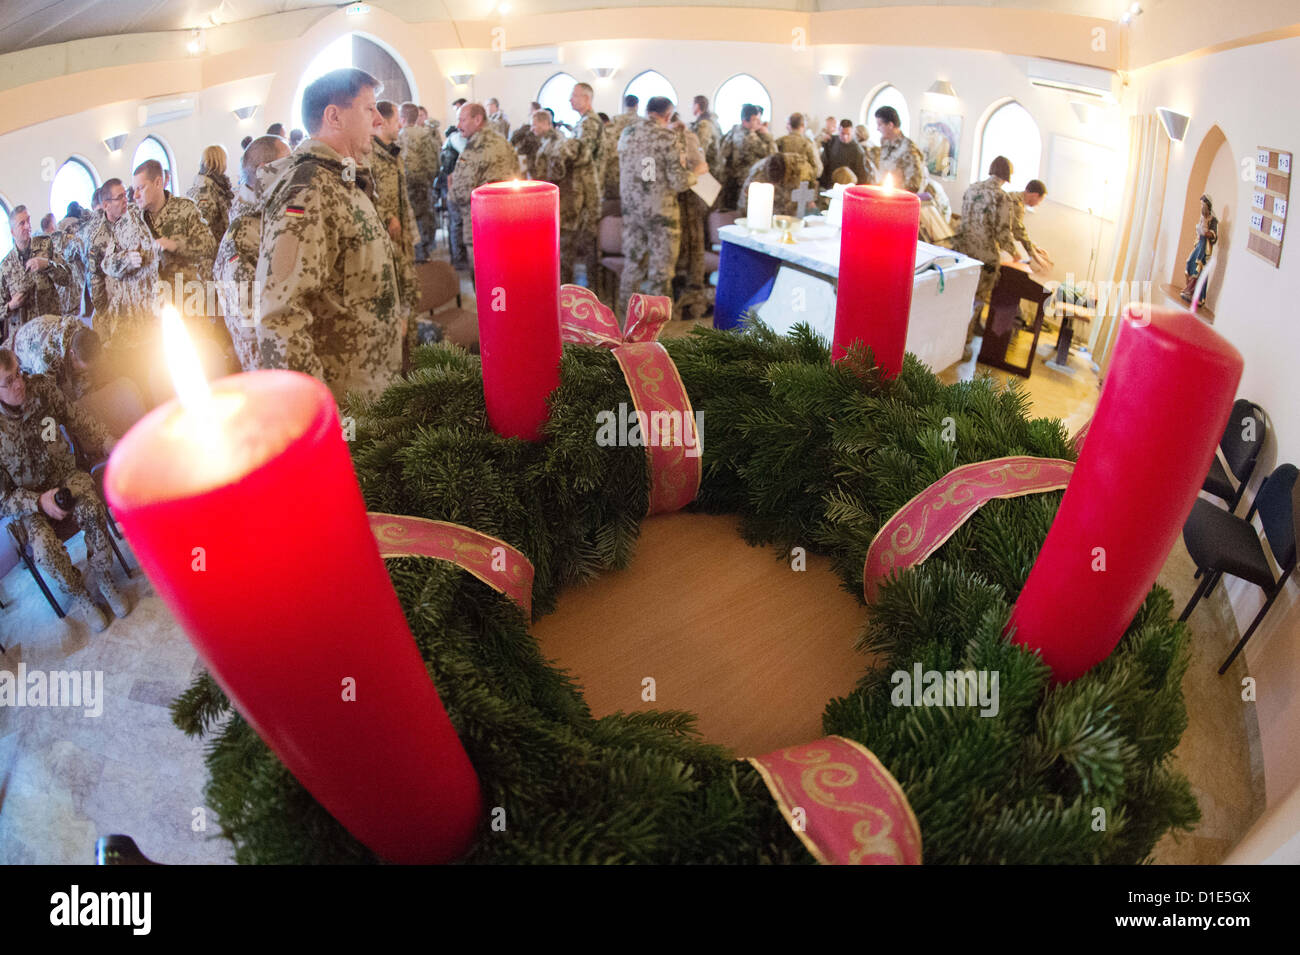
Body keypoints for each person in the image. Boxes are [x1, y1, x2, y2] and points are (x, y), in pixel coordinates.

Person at [256, 68, 403, 403]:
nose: (378, 120)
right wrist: (317, 417)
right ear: (334, 116)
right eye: (369, 109)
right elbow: (281, 317)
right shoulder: (308, 190)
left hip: (372, 389)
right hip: (345, 406)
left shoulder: (340, 180)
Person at [0, 348, 127, 631]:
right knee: (44, 549)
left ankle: (103, 577)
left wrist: (107, 441)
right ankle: (82, 596)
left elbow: (76, 417)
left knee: (93, 508)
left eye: (18, 373)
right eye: (8, 381)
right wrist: (38, 502)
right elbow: (2, 500)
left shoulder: (41, 389)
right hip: (31, 505)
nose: (19, 383)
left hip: (64, 478)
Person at [617, 95, 705, 316]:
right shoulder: (667, 137)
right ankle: (653, 327)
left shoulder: (627, 133)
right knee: (661, 272)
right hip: (661, 213)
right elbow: (678, 181)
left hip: (632, 210)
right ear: (668, 114)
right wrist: (697, 172)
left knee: (633, 265)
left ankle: (622, 321)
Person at [216, 135, 291, 372]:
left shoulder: (270, 215)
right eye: (288, 164)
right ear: (264, 171)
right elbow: (249, 321)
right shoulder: (240, 237)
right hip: (272, 369)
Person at [953, 155, 1016, 361]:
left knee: (959, 299)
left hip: (961, 252)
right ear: (1006, 176)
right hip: (984, 258)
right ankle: (962, 346)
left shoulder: (972, 188)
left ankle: (948, 340)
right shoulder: (1002, 197)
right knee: (977, 302)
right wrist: (1016, 253)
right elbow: (1003, 232)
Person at [370, 100, 421, 357]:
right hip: (386, 246)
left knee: (410, 298)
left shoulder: (393, 152)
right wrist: (387, 217)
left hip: (403, 240)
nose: (400, 124)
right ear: (383, 122)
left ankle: (412, 359)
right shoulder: (369, 157)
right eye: (396, 120)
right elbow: (366, 200)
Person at [84, 179, 156, 350]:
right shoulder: (98, 239)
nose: (126, 200)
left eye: (125, 195)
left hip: (145, 300)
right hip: (121, 309)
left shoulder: (136, 217)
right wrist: (106, 316)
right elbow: (96, 283)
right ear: (106, 205)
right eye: (120, 197)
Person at [448, 103, 519, 263]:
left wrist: (451, 194)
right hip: (506, 222)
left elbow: (461, 191)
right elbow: (516, 175)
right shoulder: (503, 142)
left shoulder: (475, 147)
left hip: (481, 226)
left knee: (484, 279)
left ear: (478, 119)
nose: (458, 126)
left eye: (462, 120)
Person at [1, 205, 72, 337]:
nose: (28, 226)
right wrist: (11, 305)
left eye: (28, 220)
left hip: (50, 330)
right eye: (22, 223)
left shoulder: (45, 246)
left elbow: (67, 278)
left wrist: (47, 265)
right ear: (12, 232)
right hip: (24, 338)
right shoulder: (5, 266)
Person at [11, 314, 103, 402]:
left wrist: (88, 397)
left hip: (43, 330)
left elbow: (83, 382)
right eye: (82, 368)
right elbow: (50, 397)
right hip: (21, 351)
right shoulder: (46, 362)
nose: (84, 371)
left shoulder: (82, 331)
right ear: (72, 354)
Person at [565, 82, 604, 286]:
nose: (570, 99)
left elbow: (581, 154)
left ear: (586, 99)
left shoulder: (589, 123)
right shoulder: (583, 122)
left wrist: (561, 146)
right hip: (582, 192)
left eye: (574, 95)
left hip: (587, 194)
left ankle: (592, 292)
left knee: (589, 243)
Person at [397, 101, 441, 262]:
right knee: (425, 218)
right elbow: (434, 161)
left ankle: (414, 254)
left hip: (405, 185)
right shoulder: (425, 135)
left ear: (402, 118)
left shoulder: (397, 138)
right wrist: (429, 179)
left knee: (410, 219)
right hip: (423, 184)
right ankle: (425, 253)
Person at [719, 104, 776, 210]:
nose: (759, 122)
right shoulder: (750, 137)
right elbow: (772, 154)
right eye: (755, 119)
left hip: (734, 180)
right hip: (748, 181)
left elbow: (724, 152)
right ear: (745, 122)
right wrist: (767, 135)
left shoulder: (734, 130)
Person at [738, 152, 817, 217]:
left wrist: (811, 200)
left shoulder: (801, 167)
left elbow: (812, 183)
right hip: (769, 209)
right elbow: (745, 199)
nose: (776, 184)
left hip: (792, 204)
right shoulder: (757, 173)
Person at [187, 144, 235, 245]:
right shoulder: (204, 189)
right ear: (219, 162)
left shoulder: (217, 185)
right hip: (213, 249)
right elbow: (203, 227)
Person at [874, 105, 925, 193]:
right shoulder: (885, 143)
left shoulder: (908, 148)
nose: (877, 129)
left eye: (880, 125)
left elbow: (914, 185)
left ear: (890, 125)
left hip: (898, 198)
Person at [1181, 193, 1218, 305]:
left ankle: (1194, 294)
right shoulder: (1202, 217)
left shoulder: (1213, 220)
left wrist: (1207, 233)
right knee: (1190, 263)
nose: (1202, 207)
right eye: (1201, 205)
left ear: (1207, 205)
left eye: (1203, 205)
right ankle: (1188, 289)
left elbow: (1213, 235)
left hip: (1204, 247)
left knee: (1199, 268)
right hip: (1199, 244)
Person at [602, 94, 640, 200]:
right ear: (637, 105)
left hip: (615, 165)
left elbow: (606, 142)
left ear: (624, 104)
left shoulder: (614, 120)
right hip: (635, 168)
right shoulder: (641, 121)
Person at [1008, 179, 1051, 268]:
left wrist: (1034, 247)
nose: (1038, 204)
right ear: (1035, 196)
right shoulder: (1017, 204)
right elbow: (1018, 233)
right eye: (1040, 200)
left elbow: (1019, 230)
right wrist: (1036, 257)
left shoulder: (1014, 195)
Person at [819, 120, 869, 189]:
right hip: (830, 184)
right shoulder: (831, 141)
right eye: (842, 133)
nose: (845, 137)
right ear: (838, 130)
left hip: (847, 186)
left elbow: (861, 175)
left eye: (848, 134)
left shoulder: (858, 151)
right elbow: (824, 163)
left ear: (852, 132)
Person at [777, 113, 822, 182]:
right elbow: (818, 169)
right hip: (802, 184)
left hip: (782, 184)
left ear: (788, 126)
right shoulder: (808, 143)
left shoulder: (780, 142)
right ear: (803, 126)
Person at [690, 95, 724, 185]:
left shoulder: (704, 124)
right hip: (715, 166)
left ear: (697, 106)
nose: (691, 108)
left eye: (692, 105)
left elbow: (700, 148)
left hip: (710, 168)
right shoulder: (713, 121)